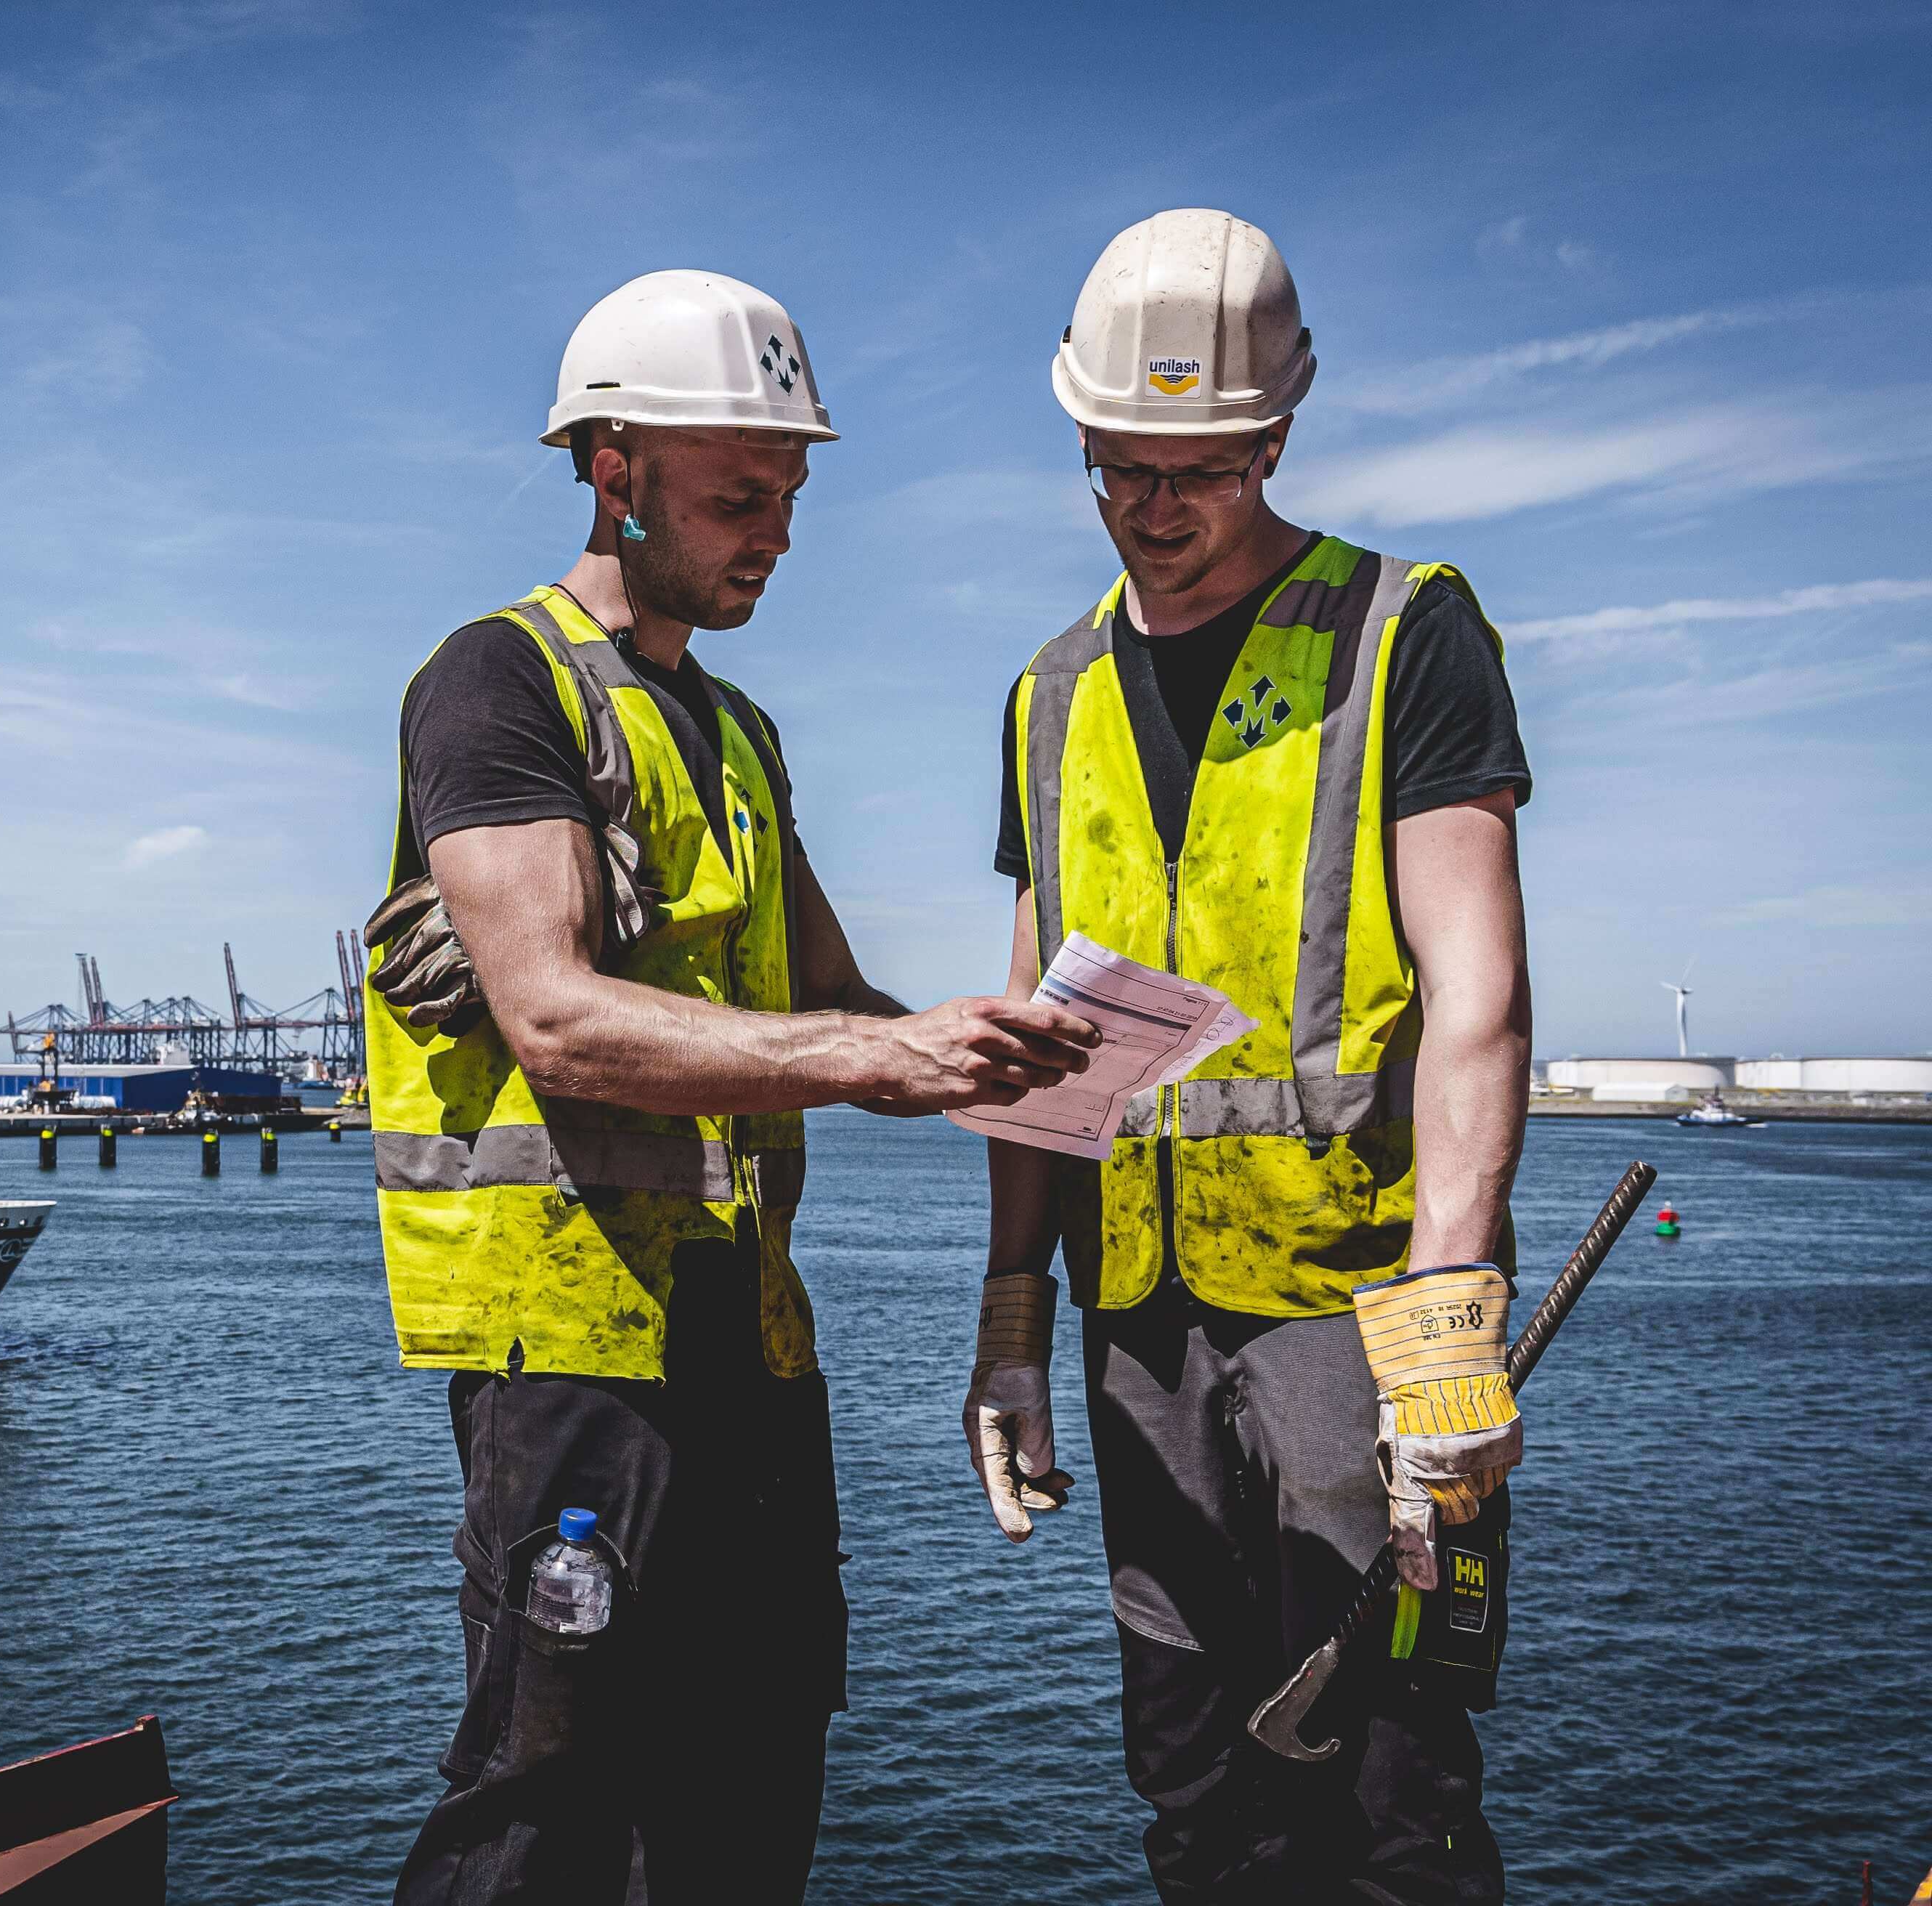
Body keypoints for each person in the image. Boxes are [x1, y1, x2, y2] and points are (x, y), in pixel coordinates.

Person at [367, 270, 1100, 1905]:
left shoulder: (742, 735)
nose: (775, 532)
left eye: (789, 497)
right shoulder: (500, 686)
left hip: (749, 1348)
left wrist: (1005, 1043)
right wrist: (874, 1052)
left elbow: (841, 1004)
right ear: (612, 469)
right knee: (546, 1805)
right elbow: (553, 1018)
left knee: (754, 1775)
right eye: (737, 496)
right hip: (574, 1358)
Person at [966, 209, 1535, 1903]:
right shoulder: (1049, 692)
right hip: (1136, 1320)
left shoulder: (1401, 629)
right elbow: (1033, 1039)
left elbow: (1478, 999)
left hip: (1356, 1321)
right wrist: (1012, 1321)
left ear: (1276, 436)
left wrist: (1447, 1335)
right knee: (1197, 1785)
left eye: (1196, 469)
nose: (1153, 508)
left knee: (1392, 1790)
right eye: (1119, 465)